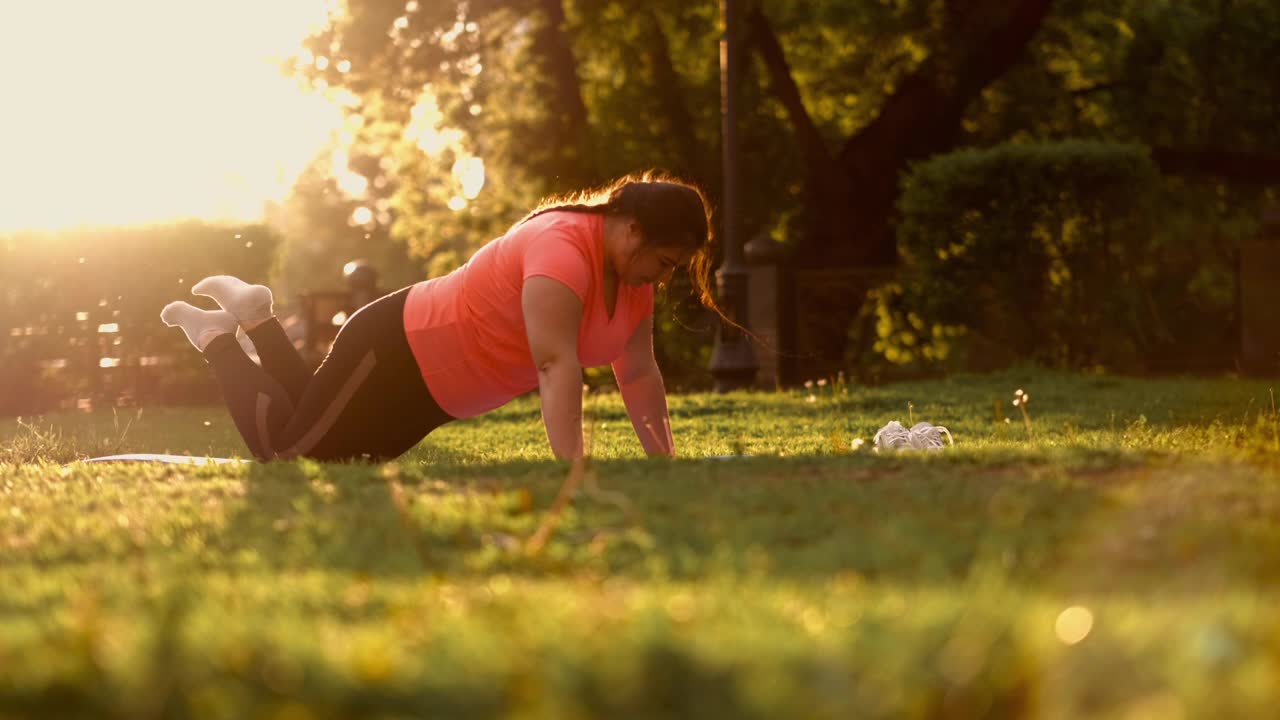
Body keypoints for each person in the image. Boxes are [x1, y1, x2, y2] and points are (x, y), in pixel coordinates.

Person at [160, 173, 722, 463]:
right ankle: (217, 339)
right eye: (665, 261)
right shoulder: (562, 249)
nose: (663, 277)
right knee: (289, 456)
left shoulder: (633, 283)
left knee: (326, 452)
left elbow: (640, 374)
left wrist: (662, 463)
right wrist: (570, 466)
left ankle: (257, 317)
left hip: (432, 399)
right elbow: (555, 364)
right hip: (395, 352)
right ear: (632, 230)